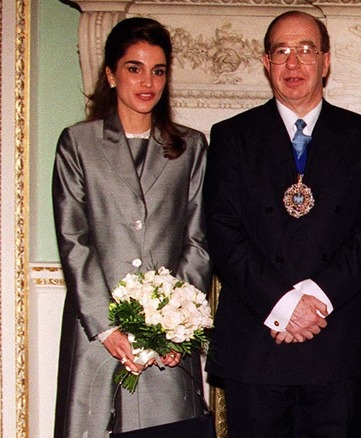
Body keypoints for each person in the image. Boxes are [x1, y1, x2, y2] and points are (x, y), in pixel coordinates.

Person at [203, 11, 361, 437]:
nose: (293, 63)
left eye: (306, 50)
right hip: (257, 343)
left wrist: (314, 301)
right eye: (281, 51)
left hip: (338, 342)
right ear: (265, 62)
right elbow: (224, 232)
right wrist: (284, 305)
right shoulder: (232, 136)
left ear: (326, 61)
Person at [52, 17, 211, 436]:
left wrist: (176, 329)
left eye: (158, 71)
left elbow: (197, 242)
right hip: (97, 335)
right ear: (110, 74)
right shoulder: (78, 144)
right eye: (134, 68)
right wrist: (106, 327)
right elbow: (74, 241)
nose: (147, 82)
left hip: (167, 346)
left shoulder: (190, 148)